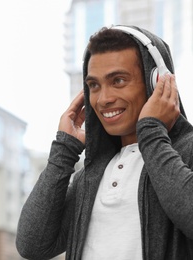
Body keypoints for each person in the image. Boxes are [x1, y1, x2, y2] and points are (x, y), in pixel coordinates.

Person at [16, 25, 193, 260]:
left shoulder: (186, 152)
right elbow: (32, 245)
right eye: (94, 86)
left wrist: (151, 131)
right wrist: (64, 150)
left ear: (157, 82)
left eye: (118, 80)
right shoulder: (89, 176)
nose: (103, 99)